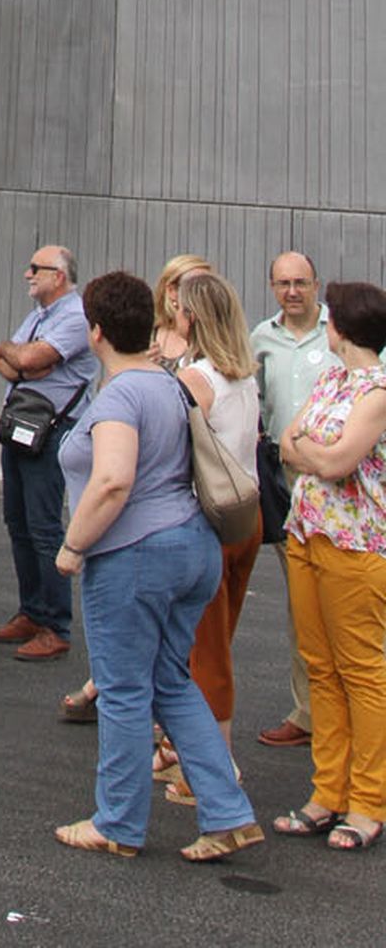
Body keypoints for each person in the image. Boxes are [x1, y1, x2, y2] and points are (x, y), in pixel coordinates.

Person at [53, 268, 262, 861]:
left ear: (95, 332)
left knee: (122, 690)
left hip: (134, 553)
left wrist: (73, 545)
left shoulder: (121, 394)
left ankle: (117, 821)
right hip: (191, 545)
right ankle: (226, 811)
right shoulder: (169, 383)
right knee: (172, 680)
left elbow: (113, 480)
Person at [274, 279, 386, 851]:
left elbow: (338, 459)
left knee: (361, 672)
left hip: (356, 545)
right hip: (307, 534)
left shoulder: (379, 390)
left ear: (345, 326)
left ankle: (367, 802)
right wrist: (316, 454)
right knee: (320, 666)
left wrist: (314, 454)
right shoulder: (334, 378)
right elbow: (287, 440)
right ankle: (328, 792)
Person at [165, 269, 262, 793]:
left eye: (179, 307)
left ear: (192, 317)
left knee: (205, 649)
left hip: (211, 521)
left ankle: (216, 766)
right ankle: (187, 748)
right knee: (213, 640)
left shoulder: (195, 380)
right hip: (247, 515)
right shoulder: (243, 374)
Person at [0, 244, 95, 660]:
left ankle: (56, 624)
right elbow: (6, 359)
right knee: (17, 521)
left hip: (52, 431)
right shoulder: (39, 316)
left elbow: (31, 357)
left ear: (60, 276)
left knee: (44, 526)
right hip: (20, 425)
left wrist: (25, 359)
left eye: (37, 268)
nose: (28, 274)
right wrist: (21, 359)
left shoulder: (75, 316)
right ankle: (31, 611)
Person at [252, 250, 338, 748]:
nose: (292, 291)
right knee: (302, 604)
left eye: (301, 282)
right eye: (283, 283)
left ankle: (357, 711)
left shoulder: (339, 333)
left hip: (342, 477)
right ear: (272, 286)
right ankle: (308, 712)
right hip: (288, 482)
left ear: (316, 284)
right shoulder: (262, 338)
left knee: (350, 603)